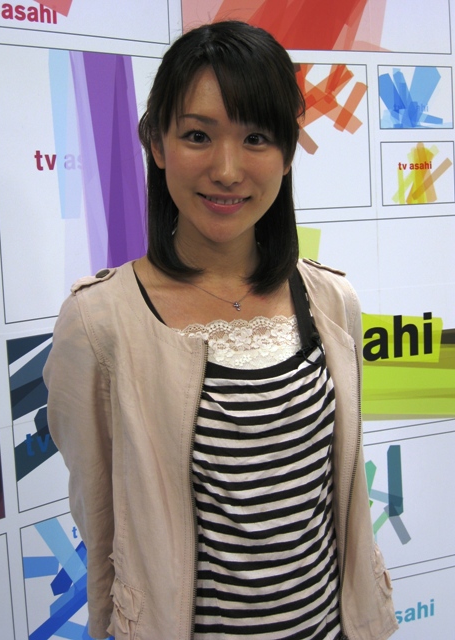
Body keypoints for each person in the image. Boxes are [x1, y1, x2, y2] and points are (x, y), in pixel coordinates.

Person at [44, 20, 398, 640]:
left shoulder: (331, 301)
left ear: (287, 153)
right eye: (198, 135)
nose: (228, 170)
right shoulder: (100, 323)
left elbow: (337, 500)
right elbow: (100, 524)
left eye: (256, 137)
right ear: (157, 144)